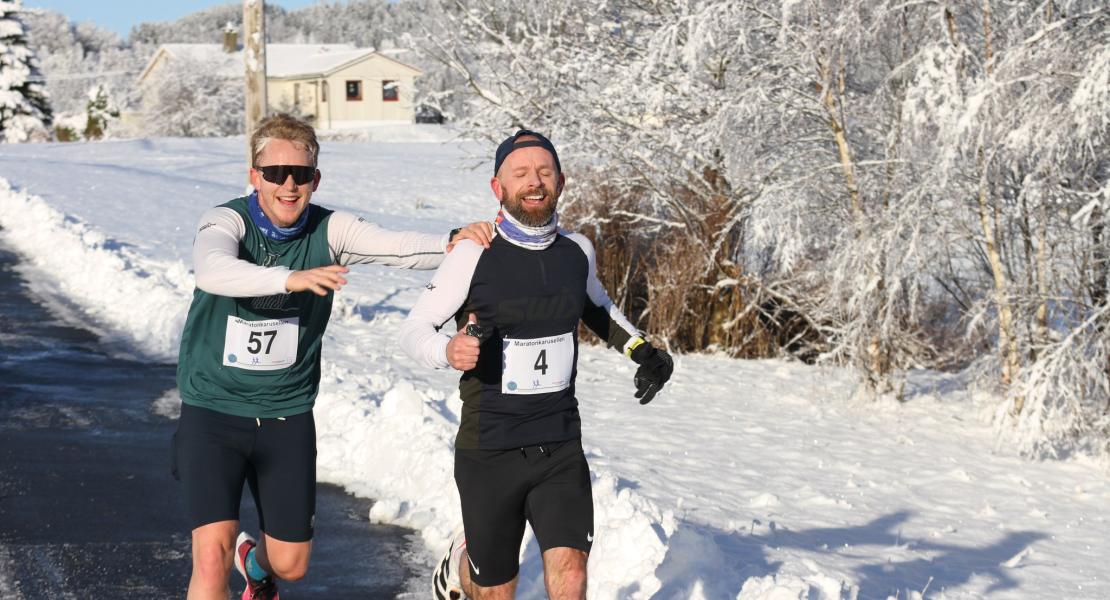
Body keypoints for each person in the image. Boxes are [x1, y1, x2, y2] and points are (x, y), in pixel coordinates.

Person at [171, 112, 492, 600]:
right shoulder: (225, 220)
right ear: (255, 176)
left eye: (300, 174)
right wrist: (289, 279)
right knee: (208, 558)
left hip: (286, 415)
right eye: (275, 173)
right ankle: (231, 557)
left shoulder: (330, 229)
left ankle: (253, 564)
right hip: (213, 410)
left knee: (290, 564)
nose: (288, 184)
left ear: (314, 179)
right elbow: (213, 271)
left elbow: (395, 247)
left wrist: (450, 242)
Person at [398, 130, 674, 599]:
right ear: (497, 186)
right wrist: (447, 351)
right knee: (495, 589)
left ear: (561, 181)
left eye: (544, 172)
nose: (534, 182)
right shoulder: (473, 254)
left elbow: (599, 309)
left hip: (559, 442)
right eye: (521, 173)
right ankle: (459, 565)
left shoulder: (576, 251)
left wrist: (644, 352)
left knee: (570, 577)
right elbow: (413, 330)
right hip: (490, 448)